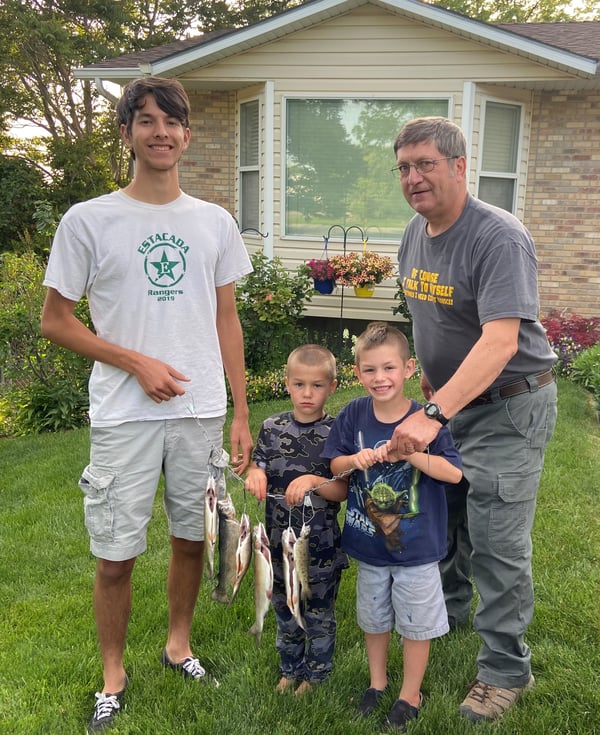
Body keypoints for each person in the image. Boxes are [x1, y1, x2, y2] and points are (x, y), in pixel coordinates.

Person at [40, 76, 253, 732]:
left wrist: (242, 410)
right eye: (148, 120)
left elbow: (227, 319)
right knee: (115, 553)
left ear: (187, 136)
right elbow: (57, 320)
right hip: (124, 414)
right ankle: (113, 672)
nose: (162, 131)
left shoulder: (214, 221)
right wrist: (136, 361)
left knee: (193, 539)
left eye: (173, 121)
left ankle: (178, 644)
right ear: (128, 131)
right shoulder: (89, 220)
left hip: (200, 413)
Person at [389, 116, 558, 722]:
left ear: (460, 167)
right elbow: (429, 316)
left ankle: (505, 671)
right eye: (404, 168)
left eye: (425, 164)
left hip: (508, 407)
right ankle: (449, 614)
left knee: (495, 542)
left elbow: (500, 342)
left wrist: (433, 413)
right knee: (446, 518)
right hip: (455, 402)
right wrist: (429, 384)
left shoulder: (498, 237)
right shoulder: (415, 233)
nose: (413, 178)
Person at [323, 322, 462, 732]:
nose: (379, 378)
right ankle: (378, 683)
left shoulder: (426, 421)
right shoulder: (354, 414)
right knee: (374, 617)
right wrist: (355, 461)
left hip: (418, 549)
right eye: (369, 370)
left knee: (416, 623)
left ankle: (410, 693)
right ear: (357, 373)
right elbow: (334, 465)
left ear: (407, 368)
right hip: (369, 544)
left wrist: (413, 452)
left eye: (388, 368)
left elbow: (453, 474)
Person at [245, 345, 349, 697]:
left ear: (332, 387)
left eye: (317, 386)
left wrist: (313, 482)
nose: (308, 393)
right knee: (284, 607)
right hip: (276, 544)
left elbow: (343, 490)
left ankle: (316, 675)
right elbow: (256, 465)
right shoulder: (271, 428)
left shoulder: (336, 431)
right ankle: (289, 669)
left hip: (319, 546)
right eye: (300, 384)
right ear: (286, 383)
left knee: (318, 613)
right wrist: (254, 474)